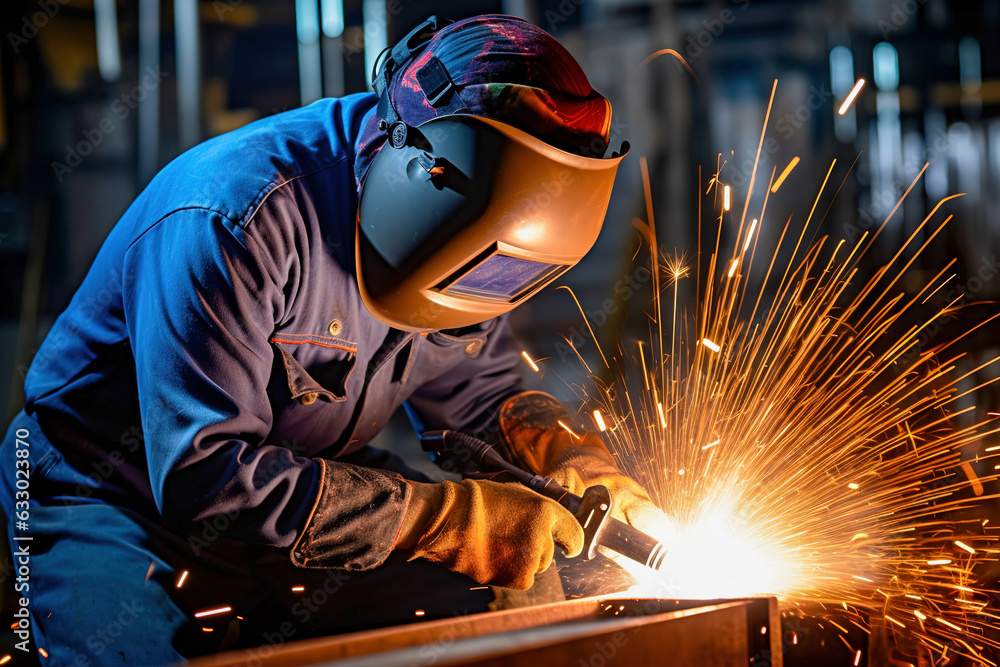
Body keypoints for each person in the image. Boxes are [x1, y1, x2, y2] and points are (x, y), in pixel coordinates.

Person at [0, 14, 663, 665]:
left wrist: (569, 460)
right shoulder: (235, 217)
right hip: (113, 497)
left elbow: (478, 398)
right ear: (422, 171)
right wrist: (441, 518)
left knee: (517, 599)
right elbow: (205, 476)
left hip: (300, 477)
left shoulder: (477, 234)